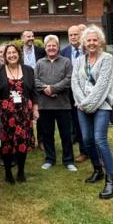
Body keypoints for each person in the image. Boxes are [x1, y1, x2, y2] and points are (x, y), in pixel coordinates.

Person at [71, 25, 113, 199]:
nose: (91, 43)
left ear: (100, 42)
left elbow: (103, 86)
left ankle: (111, 181)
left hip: (101, 106)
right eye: (88, 40)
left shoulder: (107, 59)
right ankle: (97, 169)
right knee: (87, 140)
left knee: (100, 139)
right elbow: (74, 83)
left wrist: (87, 105)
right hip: (82, 106)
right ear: (83, 42)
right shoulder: (78, 61)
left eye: (94, 40)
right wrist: (82, 103)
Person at [0, 43, 39, 184]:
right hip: (5, 113)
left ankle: (21, 171)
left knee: (22, 142)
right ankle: (7, 172)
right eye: (8, 53)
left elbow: (34, 91)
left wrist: (35, 108)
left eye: (14, 52)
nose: (11, 55)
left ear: (19, 54)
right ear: (4, 56)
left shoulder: (28, 70)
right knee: (6, 143)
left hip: (24, 112)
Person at [35, 35, 76, 172]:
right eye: (49, 46)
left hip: (62, 105)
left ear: (58, 47)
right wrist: (46, 89)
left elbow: (69, 79)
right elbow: (34, 80)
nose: (51, 48)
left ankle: (68, 160)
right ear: (45, 48)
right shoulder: (39, 63)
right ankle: (50, 159)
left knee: (66, 134)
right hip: (45, 105)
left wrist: (53, 88)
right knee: (47, 134)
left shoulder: (66, 62)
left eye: (54, 46)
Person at [60, 25, 89, 163]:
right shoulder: (63, 52)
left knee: (87, 122)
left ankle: (91, 150)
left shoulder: (88, 49)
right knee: (76, 123)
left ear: (81, 35)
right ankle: (83, 151)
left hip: (87, 93)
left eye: (75, 34)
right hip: (69, 94)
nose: (73, 37)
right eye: (70, 35)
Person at [21, 30, 46, 150]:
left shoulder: (41, 51)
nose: (30, 38)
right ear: (22, 38)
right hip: (24, 86)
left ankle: (41, 140)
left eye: (32, 36)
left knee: (39, 114)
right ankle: (28, 140)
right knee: (24, 114)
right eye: (28, 36)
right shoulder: (18, 52)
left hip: (39, 85)